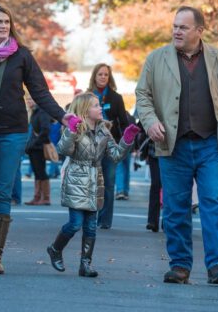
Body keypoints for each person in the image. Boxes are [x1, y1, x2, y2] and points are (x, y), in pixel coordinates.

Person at [0, 3, 73, 275]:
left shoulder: (22, 56)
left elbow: (40, 92)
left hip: (14, 131)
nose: (4, 26)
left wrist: (62, 116)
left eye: (7, 22)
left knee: (2, 192)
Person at [135, 6, 218, 285]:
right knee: (175, 207)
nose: (176, 31)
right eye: (174, 26)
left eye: (183, 27)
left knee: (213, 203)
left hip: (210, 144)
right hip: (173, 145)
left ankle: (217, 265)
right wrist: (149, 121)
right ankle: (180, 265)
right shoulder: (156, 59)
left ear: (199, 31)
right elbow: (143, 96)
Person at [46, 92, 140, 277]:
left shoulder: (104, 130)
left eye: (100, 105)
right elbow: (63, 150)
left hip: (95, 181)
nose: (100, 108)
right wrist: (72, 131)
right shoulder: (75, 128)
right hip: (76, 179)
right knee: (75, 224)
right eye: (96, 105)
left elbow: (115, 155)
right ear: (85, 110)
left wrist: (127, 139)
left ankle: (85, 264)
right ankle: (55, 249)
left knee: (90, 226)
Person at [90, 63, 129, 229]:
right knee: (90, 183)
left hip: (110, 146)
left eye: (106, 74)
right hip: (90, 146)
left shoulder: (116, 98)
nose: (103, 77)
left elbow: (124, 122)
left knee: (109, 183)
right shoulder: (87, 96)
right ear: (95, 76)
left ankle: (105, 220)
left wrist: (123, 142)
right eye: (100, 74)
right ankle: (89, 218)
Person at [25, 102, 54, 206]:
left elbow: (45, 129)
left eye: (31, 99)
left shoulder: (42, 111)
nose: (28, 102)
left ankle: (45, 198)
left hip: (39, 147)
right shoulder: (35, 112)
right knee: (37, 172)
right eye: (27, 99)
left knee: (41, 172)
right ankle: (37, 197)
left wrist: (34, 143)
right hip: (34, 147)